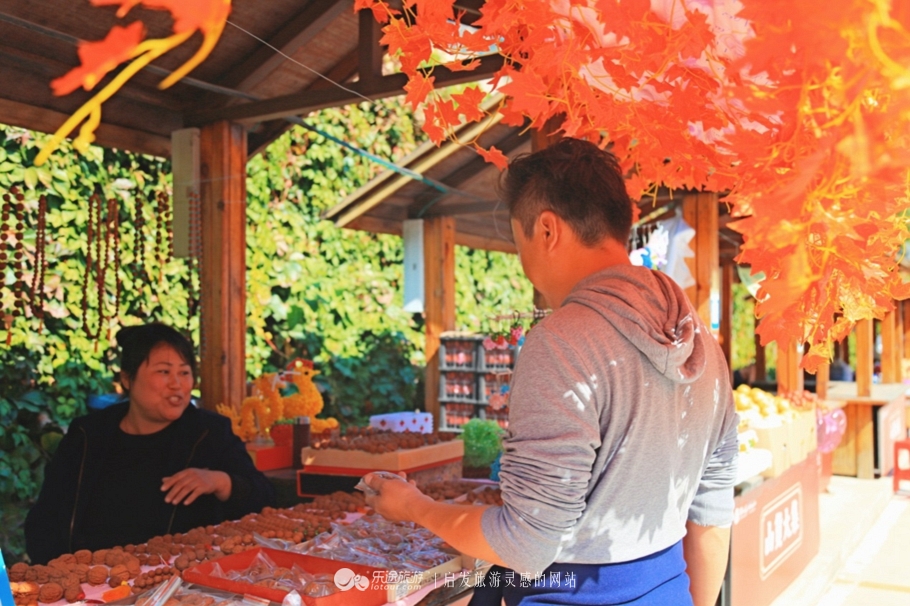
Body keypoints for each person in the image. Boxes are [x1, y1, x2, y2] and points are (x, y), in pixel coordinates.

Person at [365, 139, 739, 606]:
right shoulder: (701, 339)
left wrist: (415, 507)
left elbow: (526, 543)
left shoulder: (562, 339)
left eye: (518, 242)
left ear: (546, 230)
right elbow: (711, 515)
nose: (523, 266)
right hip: (669, 590)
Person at [25, 323, 276, 564]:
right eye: (164, 371)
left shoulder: (209, 433)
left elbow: (264, 498)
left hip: (176, 582)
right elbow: (45, 519)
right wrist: (61, 573)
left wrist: (221, 482)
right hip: (87, 583)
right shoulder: (88, 436)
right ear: (127, 378)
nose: (176, 384)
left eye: (184, 372)